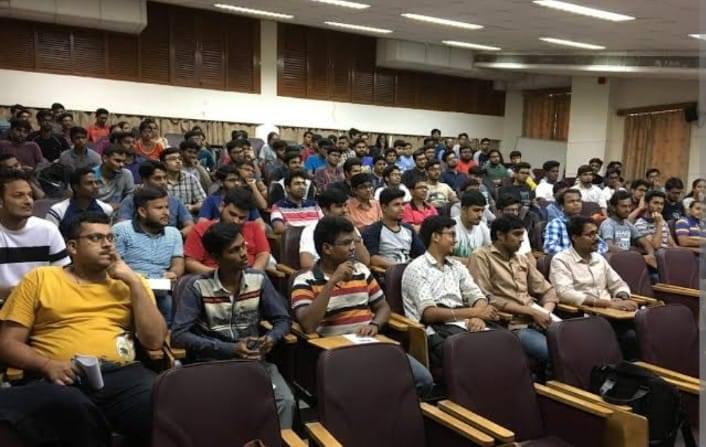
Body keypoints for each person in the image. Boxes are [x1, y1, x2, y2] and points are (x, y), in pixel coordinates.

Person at [0, 212, 167, 446]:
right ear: (73, 247)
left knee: (163, 405)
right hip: (62, 376)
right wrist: (47, 365)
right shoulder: (40, 279)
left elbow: (154, 341)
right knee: (73, 410)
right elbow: (8, 343)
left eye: (110, 238)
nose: (107, 244)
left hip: (122, 374)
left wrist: (134, 283)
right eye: (96, 238)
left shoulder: (131, 281)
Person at [291, 216, 433, 395]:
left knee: (423, 380)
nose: (352, 248)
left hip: (370, 342)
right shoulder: (304, 280)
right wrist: (332, 282)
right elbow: (308, 325)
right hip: (336, 351)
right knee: (369, 387)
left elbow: (383, 307)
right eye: (346, 243)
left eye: (353, 242)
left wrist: (375, 324)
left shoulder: (361, 270)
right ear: (327, 248)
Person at [171, 222, 294, 428]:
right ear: (216, 257)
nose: (244, 254)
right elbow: (179, 334)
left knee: (284, 401)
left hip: (253, 362)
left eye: (243, 246)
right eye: (234, 250)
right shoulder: (198, 287)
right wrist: (229, 349)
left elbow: (283, 319)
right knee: (225, 409)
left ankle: (274, 441)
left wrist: (271, 337)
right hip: (212, 365)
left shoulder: (258, 279)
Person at [401, 215, 499, 369]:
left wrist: (477, 317)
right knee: (483, 355)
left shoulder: (457, 266)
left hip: (465, 323)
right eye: (451, 235)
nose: (455, 240)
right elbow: (430, 314)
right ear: (435, 237)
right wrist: (475, 312)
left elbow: (477, 296)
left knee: (505, 343)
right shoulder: (417, 269)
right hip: (437, 330)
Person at [469, 215, 558, 366]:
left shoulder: (521, 259)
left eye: (522, 234)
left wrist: (545, 313)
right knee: (555, 354)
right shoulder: (481, 256)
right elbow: (485, 298)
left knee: (574, 344)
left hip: (538, 318)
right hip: (512, 325)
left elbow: (547, 290)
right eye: (516, 234)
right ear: (500, 235)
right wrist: (531, 312)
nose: (522, 239)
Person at [550, 216, 638, 359]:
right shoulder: (561, 260)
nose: (596, 238)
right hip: (586, 316)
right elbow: (564, 293)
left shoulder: (599, 258)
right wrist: (605, 303)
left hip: (613, 313)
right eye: (590, 234)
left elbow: (618, 283)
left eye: (596, 233)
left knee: (648, 328)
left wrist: (622, 298)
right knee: (631, 337)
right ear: (575, 238)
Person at [113, 187, 184, 324]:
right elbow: (115, 263)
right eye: (159, 208)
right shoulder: (122, 230)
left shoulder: (174, 233)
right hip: (129, 286)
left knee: (169, 305)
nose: (166, 212)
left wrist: (173, 273)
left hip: (160, 288)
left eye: (167, 207)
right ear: (142, 211)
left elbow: (178, 263)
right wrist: (134, 278)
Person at [0, 170, 70, 302]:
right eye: (18, 195)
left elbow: (63, 277)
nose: (28, 201)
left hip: (41, 304)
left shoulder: (48, 230)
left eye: (30, 195)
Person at [185, 189, 271, 272]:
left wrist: (253, 274)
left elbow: (263, 254)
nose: (236, 221)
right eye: (232, 214)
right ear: (222, 206)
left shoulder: (254, 227)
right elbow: (190, 262)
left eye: (242, 218)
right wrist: (221, 276)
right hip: (211, 276)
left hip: (250, 273)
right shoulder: (200, 229)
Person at [117, 160, 194, 237]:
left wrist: (175, 237)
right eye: (157, 178)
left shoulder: (175, 201)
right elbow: (122, 228)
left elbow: (190, 226)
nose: (163, 182)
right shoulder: (130, 201)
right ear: (145, 180)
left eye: (165, 178)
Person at [299, 189, 370, 270]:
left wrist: (353, 230)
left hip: (353, 273)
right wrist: (332, 274)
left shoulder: (349, 227)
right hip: (325, 275)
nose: (345, 210)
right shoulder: (311, 230)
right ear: (325, 210)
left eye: (345, 205)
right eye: (339, 206)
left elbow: (365, 261)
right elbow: (307, 264)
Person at [362, 188, 425, 269]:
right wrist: (401, 268)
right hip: (388, 272)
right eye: (396, 205)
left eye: (403, 204)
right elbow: (373, 259)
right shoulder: (372, 231)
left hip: (410, 270)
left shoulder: (408, 229)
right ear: (384, 207)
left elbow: (421, 254)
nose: (402, 208)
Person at [46, 167, 114, 236]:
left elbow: (108, 235)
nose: (95, 186)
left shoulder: (106, 209)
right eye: (89, 183)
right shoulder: (58, 211)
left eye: (96, 182)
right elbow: (50, 238)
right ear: (76, 187)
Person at [599, 191, 656, 268]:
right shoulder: (608, 224)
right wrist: (632, 256)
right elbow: (609, 246)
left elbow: (645, 242)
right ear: (613, 208)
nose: (628, 209)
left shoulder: (628, 224)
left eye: (629, 206)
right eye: (624, 206)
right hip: (613, 263)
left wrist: (651, 255)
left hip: (629, 261)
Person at [544, 188, 608, 256]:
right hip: (567, 260)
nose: (576, 204)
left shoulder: (586, 223)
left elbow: (603, 246)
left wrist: (590, 253)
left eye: (578, 201)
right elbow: (549, 248)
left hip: (589, 258)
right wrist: (577, 254)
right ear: (562, 206)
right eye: (571, 201)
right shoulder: (556, 224)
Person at [160, 147, 206, 214]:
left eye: (180, 159)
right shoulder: (159, 180)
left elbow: (204, 201)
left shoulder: (190, 178)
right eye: (173, 159)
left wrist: (193, 207)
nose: (178, 161)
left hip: (187, 215)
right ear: (163, 163)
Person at [94, 145, 135, 211]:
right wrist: (107, 207)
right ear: (105, 158)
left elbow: (130, 196)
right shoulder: (91, 175)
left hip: (118, 212)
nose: (122, 165)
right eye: (117, 161)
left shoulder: (126, 174)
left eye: (123, 161)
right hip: (95, 212)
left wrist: (121, 206)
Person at [451, 191, 491, 260]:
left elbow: (491, 252)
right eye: (476, 210)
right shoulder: (451, 227)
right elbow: (444, 258)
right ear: (463, 210)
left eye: (482, 210)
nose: (480, 215)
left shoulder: (482, 227)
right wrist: (470, 262)